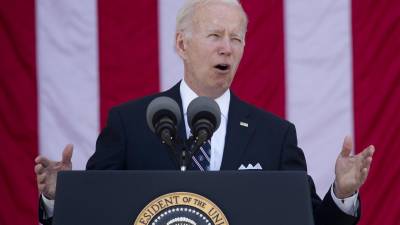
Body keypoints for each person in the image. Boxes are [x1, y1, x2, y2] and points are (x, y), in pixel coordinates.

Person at [34, 0, 374, 224]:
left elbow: (306, 220)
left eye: (236, 38)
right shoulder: (130, 123)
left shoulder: (275, 135)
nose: (227, 47)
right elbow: (95, 213)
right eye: (215, 35)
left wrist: (342, 194)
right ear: (182, 44)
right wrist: (58, 200)